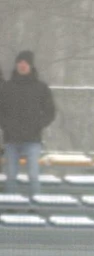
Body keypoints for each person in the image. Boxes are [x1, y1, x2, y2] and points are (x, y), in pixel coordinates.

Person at [0, 51, 55, 197]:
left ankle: (35, 207)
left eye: (25, 63)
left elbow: (50, 112)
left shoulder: (41, 87)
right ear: (16, 65)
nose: (22, 66)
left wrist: (38, 124)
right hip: (11, 139)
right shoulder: (7, 87)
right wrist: (6, 125)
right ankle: (11, 207)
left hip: (33, 140)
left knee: (33, 175)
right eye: (20, 63)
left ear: (30, 65)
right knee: (10, 176)